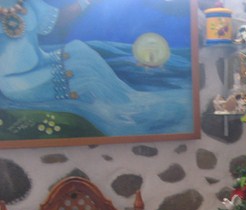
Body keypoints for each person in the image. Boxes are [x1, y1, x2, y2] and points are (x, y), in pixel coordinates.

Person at [1, 0, 190, 137]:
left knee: (81, 52)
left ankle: (130, 107)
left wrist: (86, 2)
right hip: (19, 81)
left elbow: (61, 19)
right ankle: (124, 115)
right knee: (85, 75)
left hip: (41, 63)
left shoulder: (28, 4)